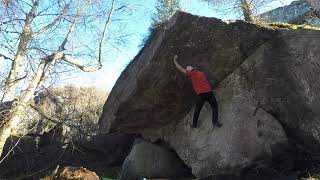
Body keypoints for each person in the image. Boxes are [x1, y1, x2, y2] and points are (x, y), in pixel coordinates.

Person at [173, 54, 222, 128]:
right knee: (214, 106)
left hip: (201, 95)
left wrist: (174, 60)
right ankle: (215, 122)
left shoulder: (192, 74)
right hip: (209, 92)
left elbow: (180, 68)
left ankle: (194, 124)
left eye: (187, 70)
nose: (186, 70)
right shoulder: (200, 73)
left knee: (197, 110)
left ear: (189, 70)